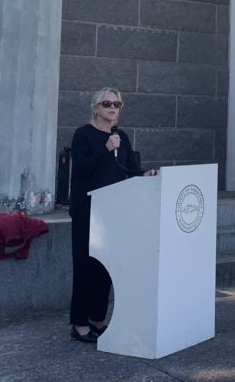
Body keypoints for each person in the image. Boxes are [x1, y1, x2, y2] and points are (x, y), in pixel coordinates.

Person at [69, 87, 157, 343]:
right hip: (88, 211)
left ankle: (98, 319)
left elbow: (126, 169)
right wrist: (105, 148)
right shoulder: (83, 135)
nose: (112, 108)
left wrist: (144, 174)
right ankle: (79, 324)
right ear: (96, 107)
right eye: (107, 103)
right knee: (85, 267)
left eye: (117, 105)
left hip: (114, 212)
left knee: (106, 269)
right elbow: (82, 169)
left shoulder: (122, 137)